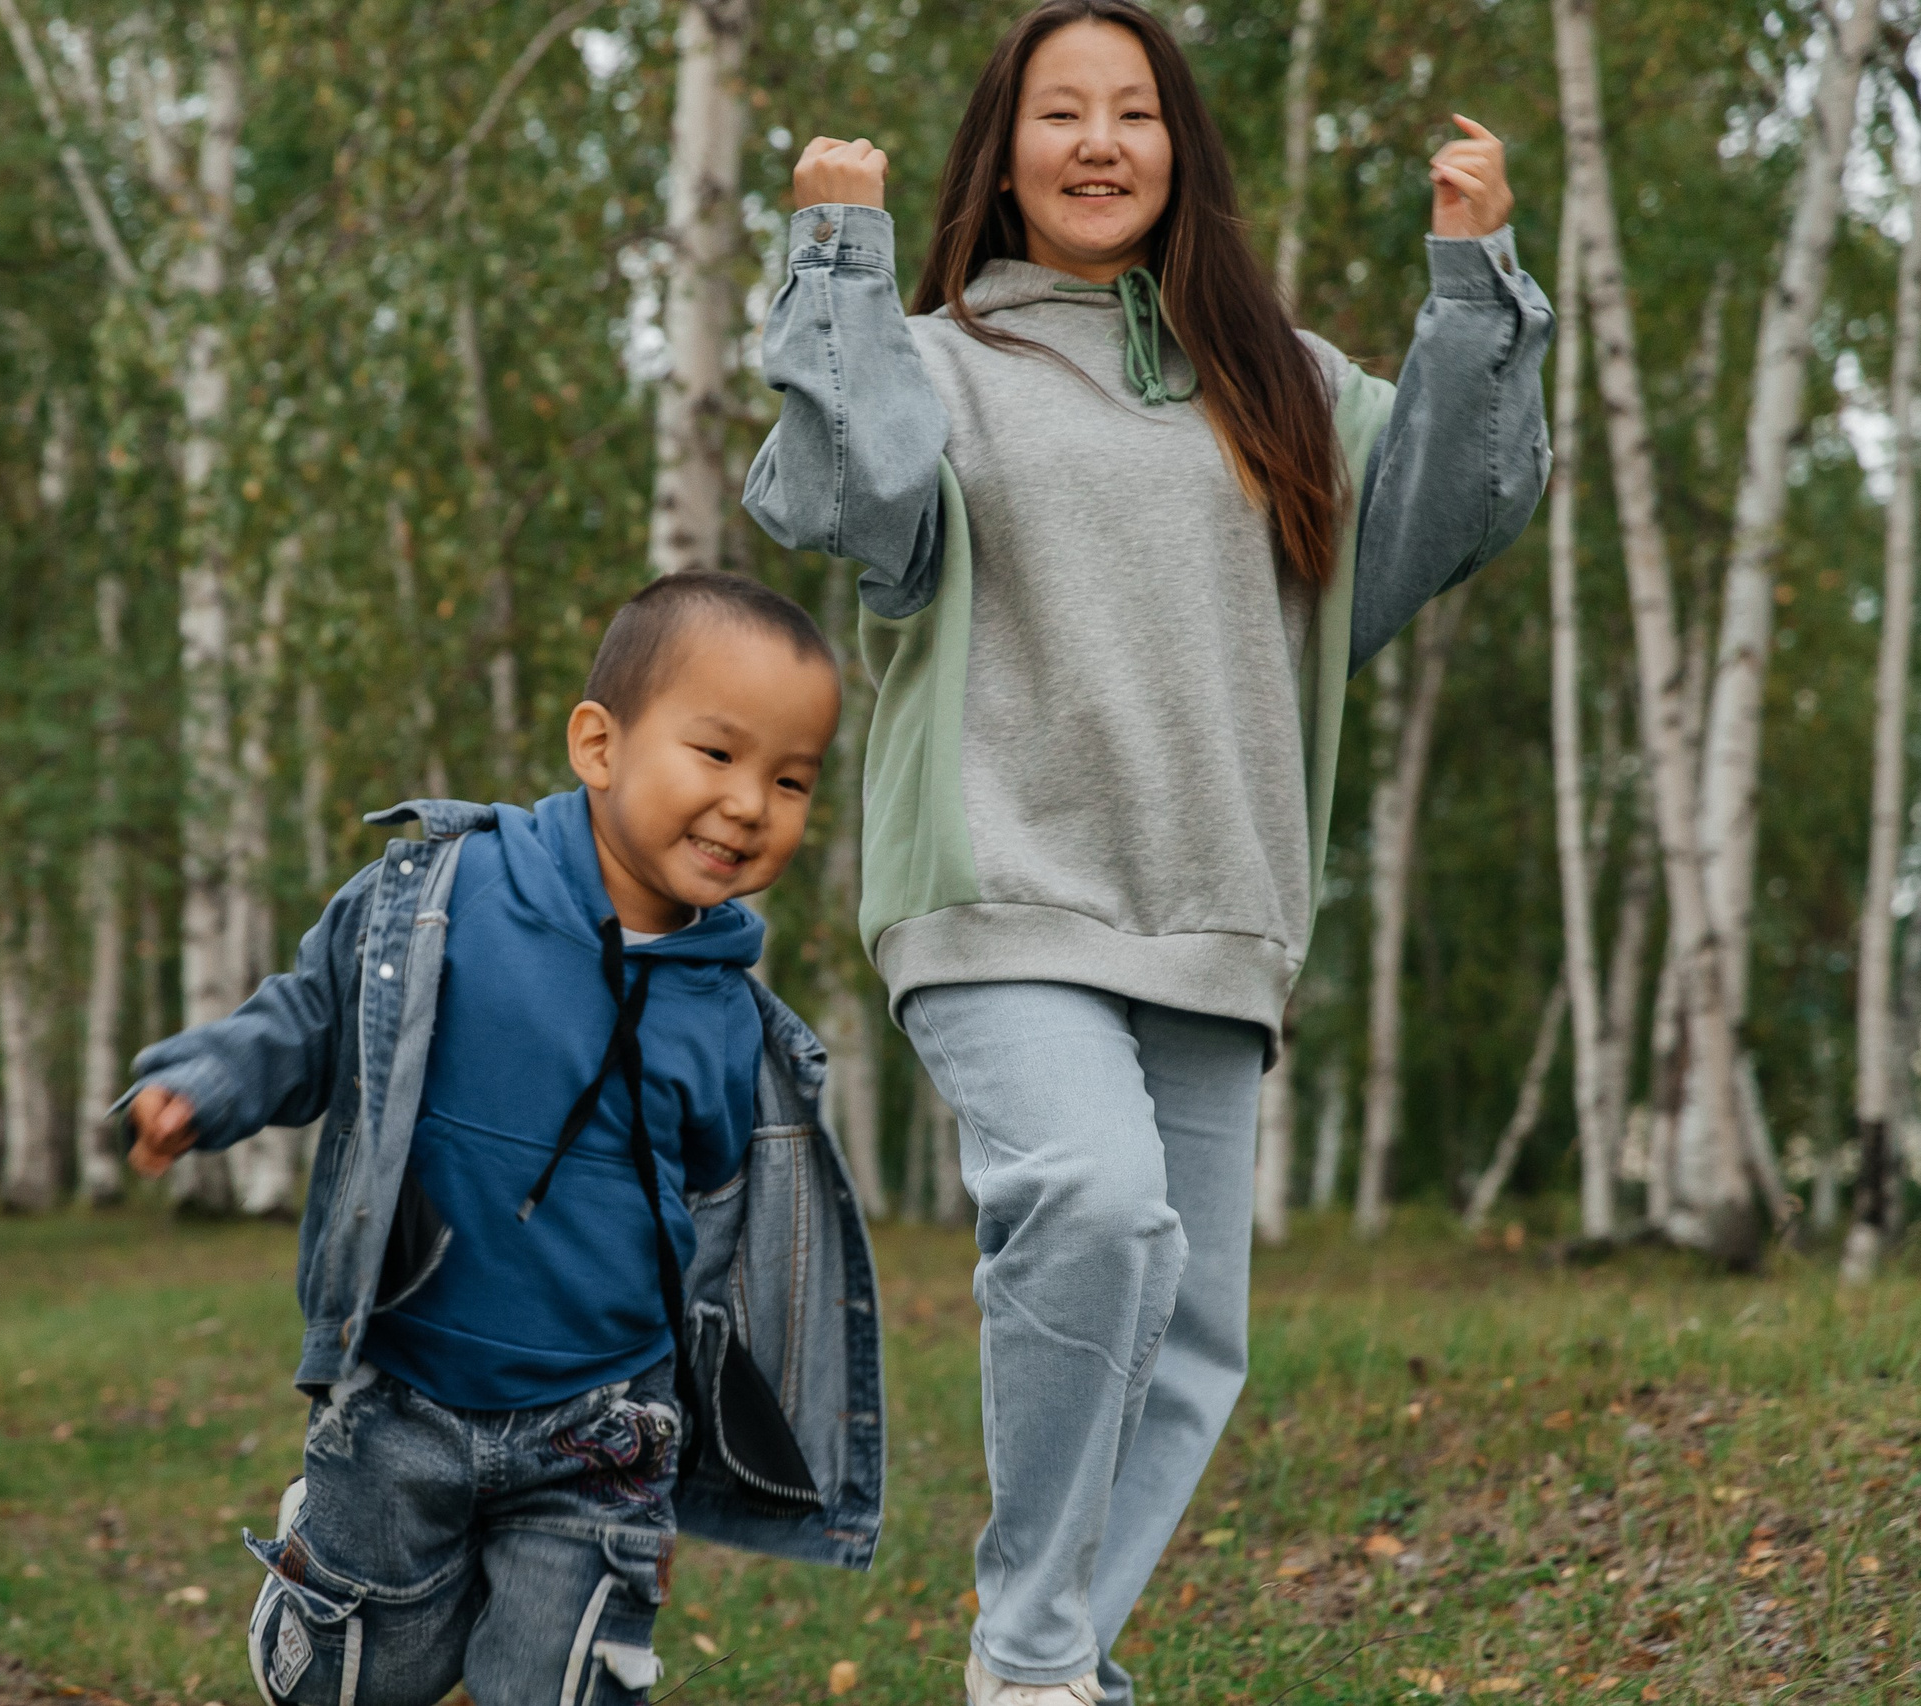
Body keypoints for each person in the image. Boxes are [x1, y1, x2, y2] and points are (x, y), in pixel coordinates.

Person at [743, 4, 1552, 1703]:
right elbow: (858, 504)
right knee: (1095, 1207)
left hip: (1213, 902)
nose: (1099, 142)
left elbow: (1443, 509)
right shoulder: (937, 361)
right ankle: (1030, 1659)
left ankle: (1056, 1664)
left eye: (1134, 111)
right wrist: (834, 254)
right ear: (1005, 150)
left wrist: (1473, 290)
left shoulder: (1282, 379)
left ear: (1181, 151)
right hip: (1003, 890)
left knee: (1189, 1344)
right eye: (1061, 112)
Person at [118, 571, 885, 1706]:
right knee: (362, 1677)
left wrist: (672, 1438)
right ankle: (317, 1567)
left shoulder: (727, 1017)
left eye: (790, 780)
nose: (748, 804)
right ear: (598, 744)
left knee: (560, 1683)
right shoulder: (445, 894)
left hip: (601, 1430)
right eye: (716, 755)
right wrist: (203, 1081)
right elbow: (309, 1016)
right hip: (408, 1390)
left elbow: (712, 1237)